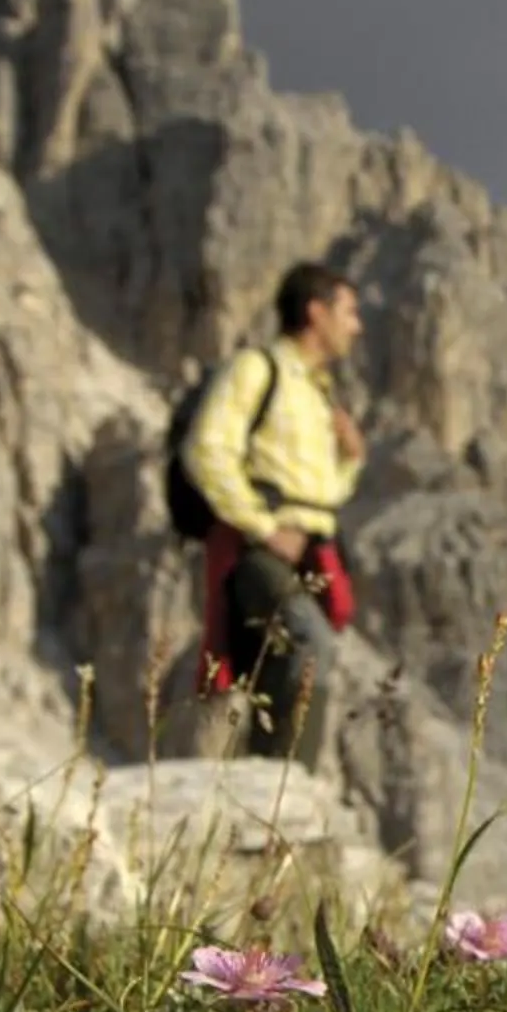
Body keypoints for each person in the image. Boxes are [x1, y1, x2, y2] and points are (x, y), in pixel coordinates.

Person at [184, 262, 368, 767]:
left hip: (307, 555)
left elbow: (320, 494)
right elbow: (206, 450)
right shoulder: (256, 369)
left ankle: (258, 783)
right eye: (349, 312)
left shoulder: (317, 393)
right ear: (316, 311)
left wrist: (350, 458)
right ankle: (280, 787)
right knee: (310, 645)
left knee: (273, 668)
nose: (357, 326)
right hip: (256, 549)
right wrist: (264, 527)